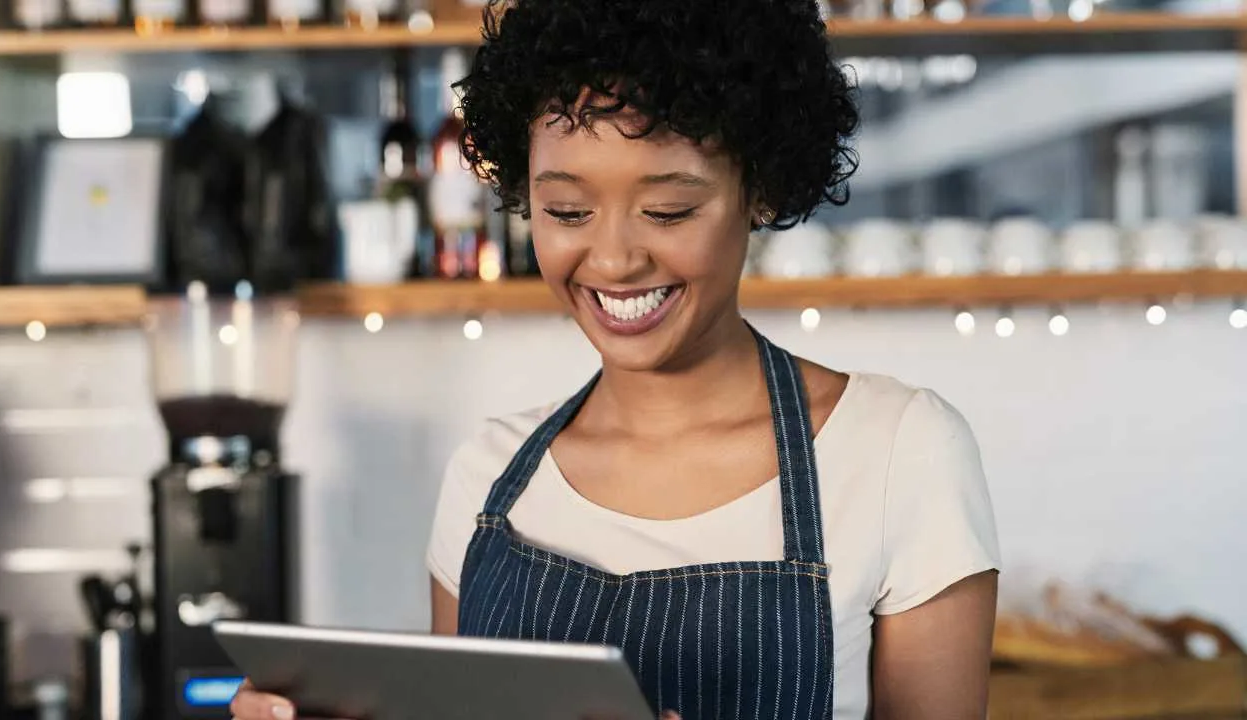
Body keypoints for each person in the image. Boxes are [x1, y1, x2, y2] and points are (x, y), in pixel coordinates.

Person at [231, 0, 1001, 718]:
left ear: (759, 189)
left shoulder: (900, 450)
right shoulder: (488, 477)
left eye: (668, 210)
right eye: (567, 211)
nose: (613, 258)